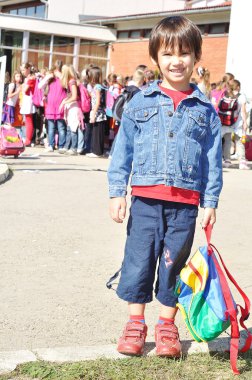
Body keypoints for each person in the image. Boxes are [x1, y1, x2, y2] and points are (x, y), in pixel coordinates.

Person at [107, 15, 223, 358]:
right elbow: (121, 151)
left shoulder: (206, 110)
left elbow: (211, 160)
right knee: (139, 260)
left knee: (174, 263)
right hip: (144, 200)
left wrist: (210, 201)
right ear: (156, 57)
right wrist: (117, 192)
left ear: (196, 58)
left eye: (185, 53)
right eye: (169, 53)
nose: (177, 61)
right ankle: (135, 323)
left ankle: (167, 326)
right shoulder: (139, 102)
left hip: (185, 204)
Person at [60, 64, 84, 155]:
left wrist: (63, 102)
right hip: (72, 106)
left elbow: (74, 96)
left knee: (73, 128)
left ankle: (73, 148)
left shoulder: (72, 82)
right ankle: (67, 146)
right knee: (69, 128)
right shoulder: (72, 81)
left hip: (74, 106)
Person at [86, 66, 107, 158]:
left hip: (98, 113)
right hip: (98, 112)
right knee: (96, 132)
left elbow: (97, 101)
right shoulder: (97, 86)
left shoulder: (98, 87)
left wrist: (93, 113)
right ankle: (97, 151)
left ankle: (97, 152)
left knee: (97, 133)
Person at [231, 80, 250, 170]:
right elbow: (243, 111)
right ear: (238, 86)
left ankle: (226, 160)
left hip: (228, 122)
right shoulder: (241, 97)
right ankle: (242, 162)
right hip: (239, 122)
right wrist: (245, 122)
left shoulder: (229, 95)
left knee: (228, 141)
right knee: (240, 142)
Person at [20, 62, 36, 146]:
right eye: (21, 70)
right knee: (27, 120)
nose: (22, 72)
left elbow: (24, 90)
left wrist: (23, 86)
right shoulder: (28, 78)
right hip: (27, 98)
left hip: (29, 99)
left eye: (23, 70)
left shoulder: (31, 78)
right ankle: (28, 139)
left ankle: (28, 140)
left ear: (28, 69)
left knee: (28, 120)